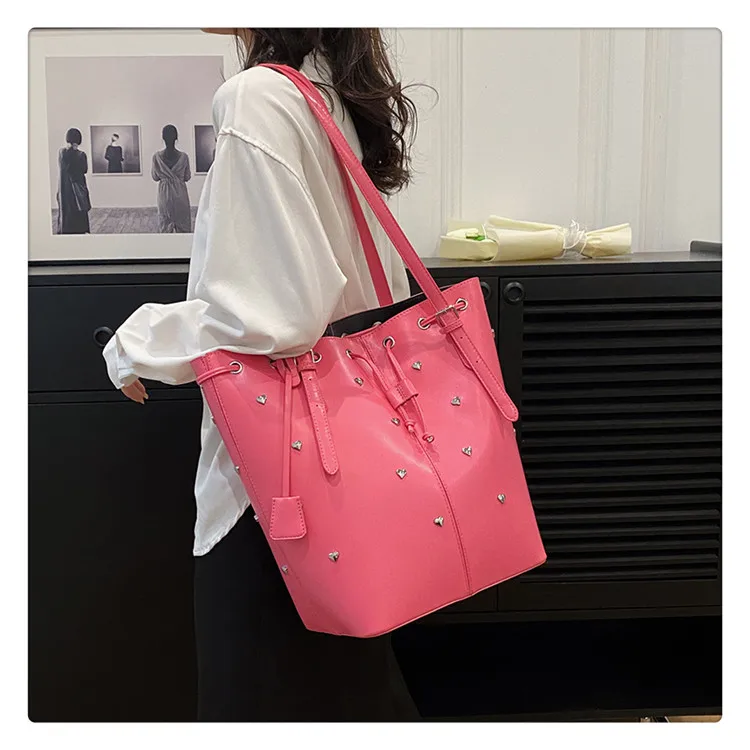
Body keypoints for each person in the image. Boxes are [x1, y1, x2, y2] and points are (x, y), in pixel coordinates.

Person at [102, 28, 419, 721]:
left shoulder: (257, 98)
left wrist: (138, 342)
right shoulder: (327, 93)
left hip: (274, 494)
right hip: (352, 479)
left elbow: (274, 314)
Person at [151, 125, 192, 233]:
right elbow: (187, 177)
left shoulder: (156, 157)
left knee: (165, 226)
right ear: (176, 138)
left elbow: (155, 177)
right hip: (180, 194)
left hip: (164, 195)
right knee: (183, 227)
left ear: (163, 138)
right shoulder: (184, 157)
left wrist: (165, 176)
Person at [56, 128, 91, 234]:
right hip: (77, 189)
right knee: (79, 211)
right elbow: (84, 170)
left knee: (66, 212)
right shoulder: (81, 155)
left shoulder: (61, 153)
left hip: (64, 190)